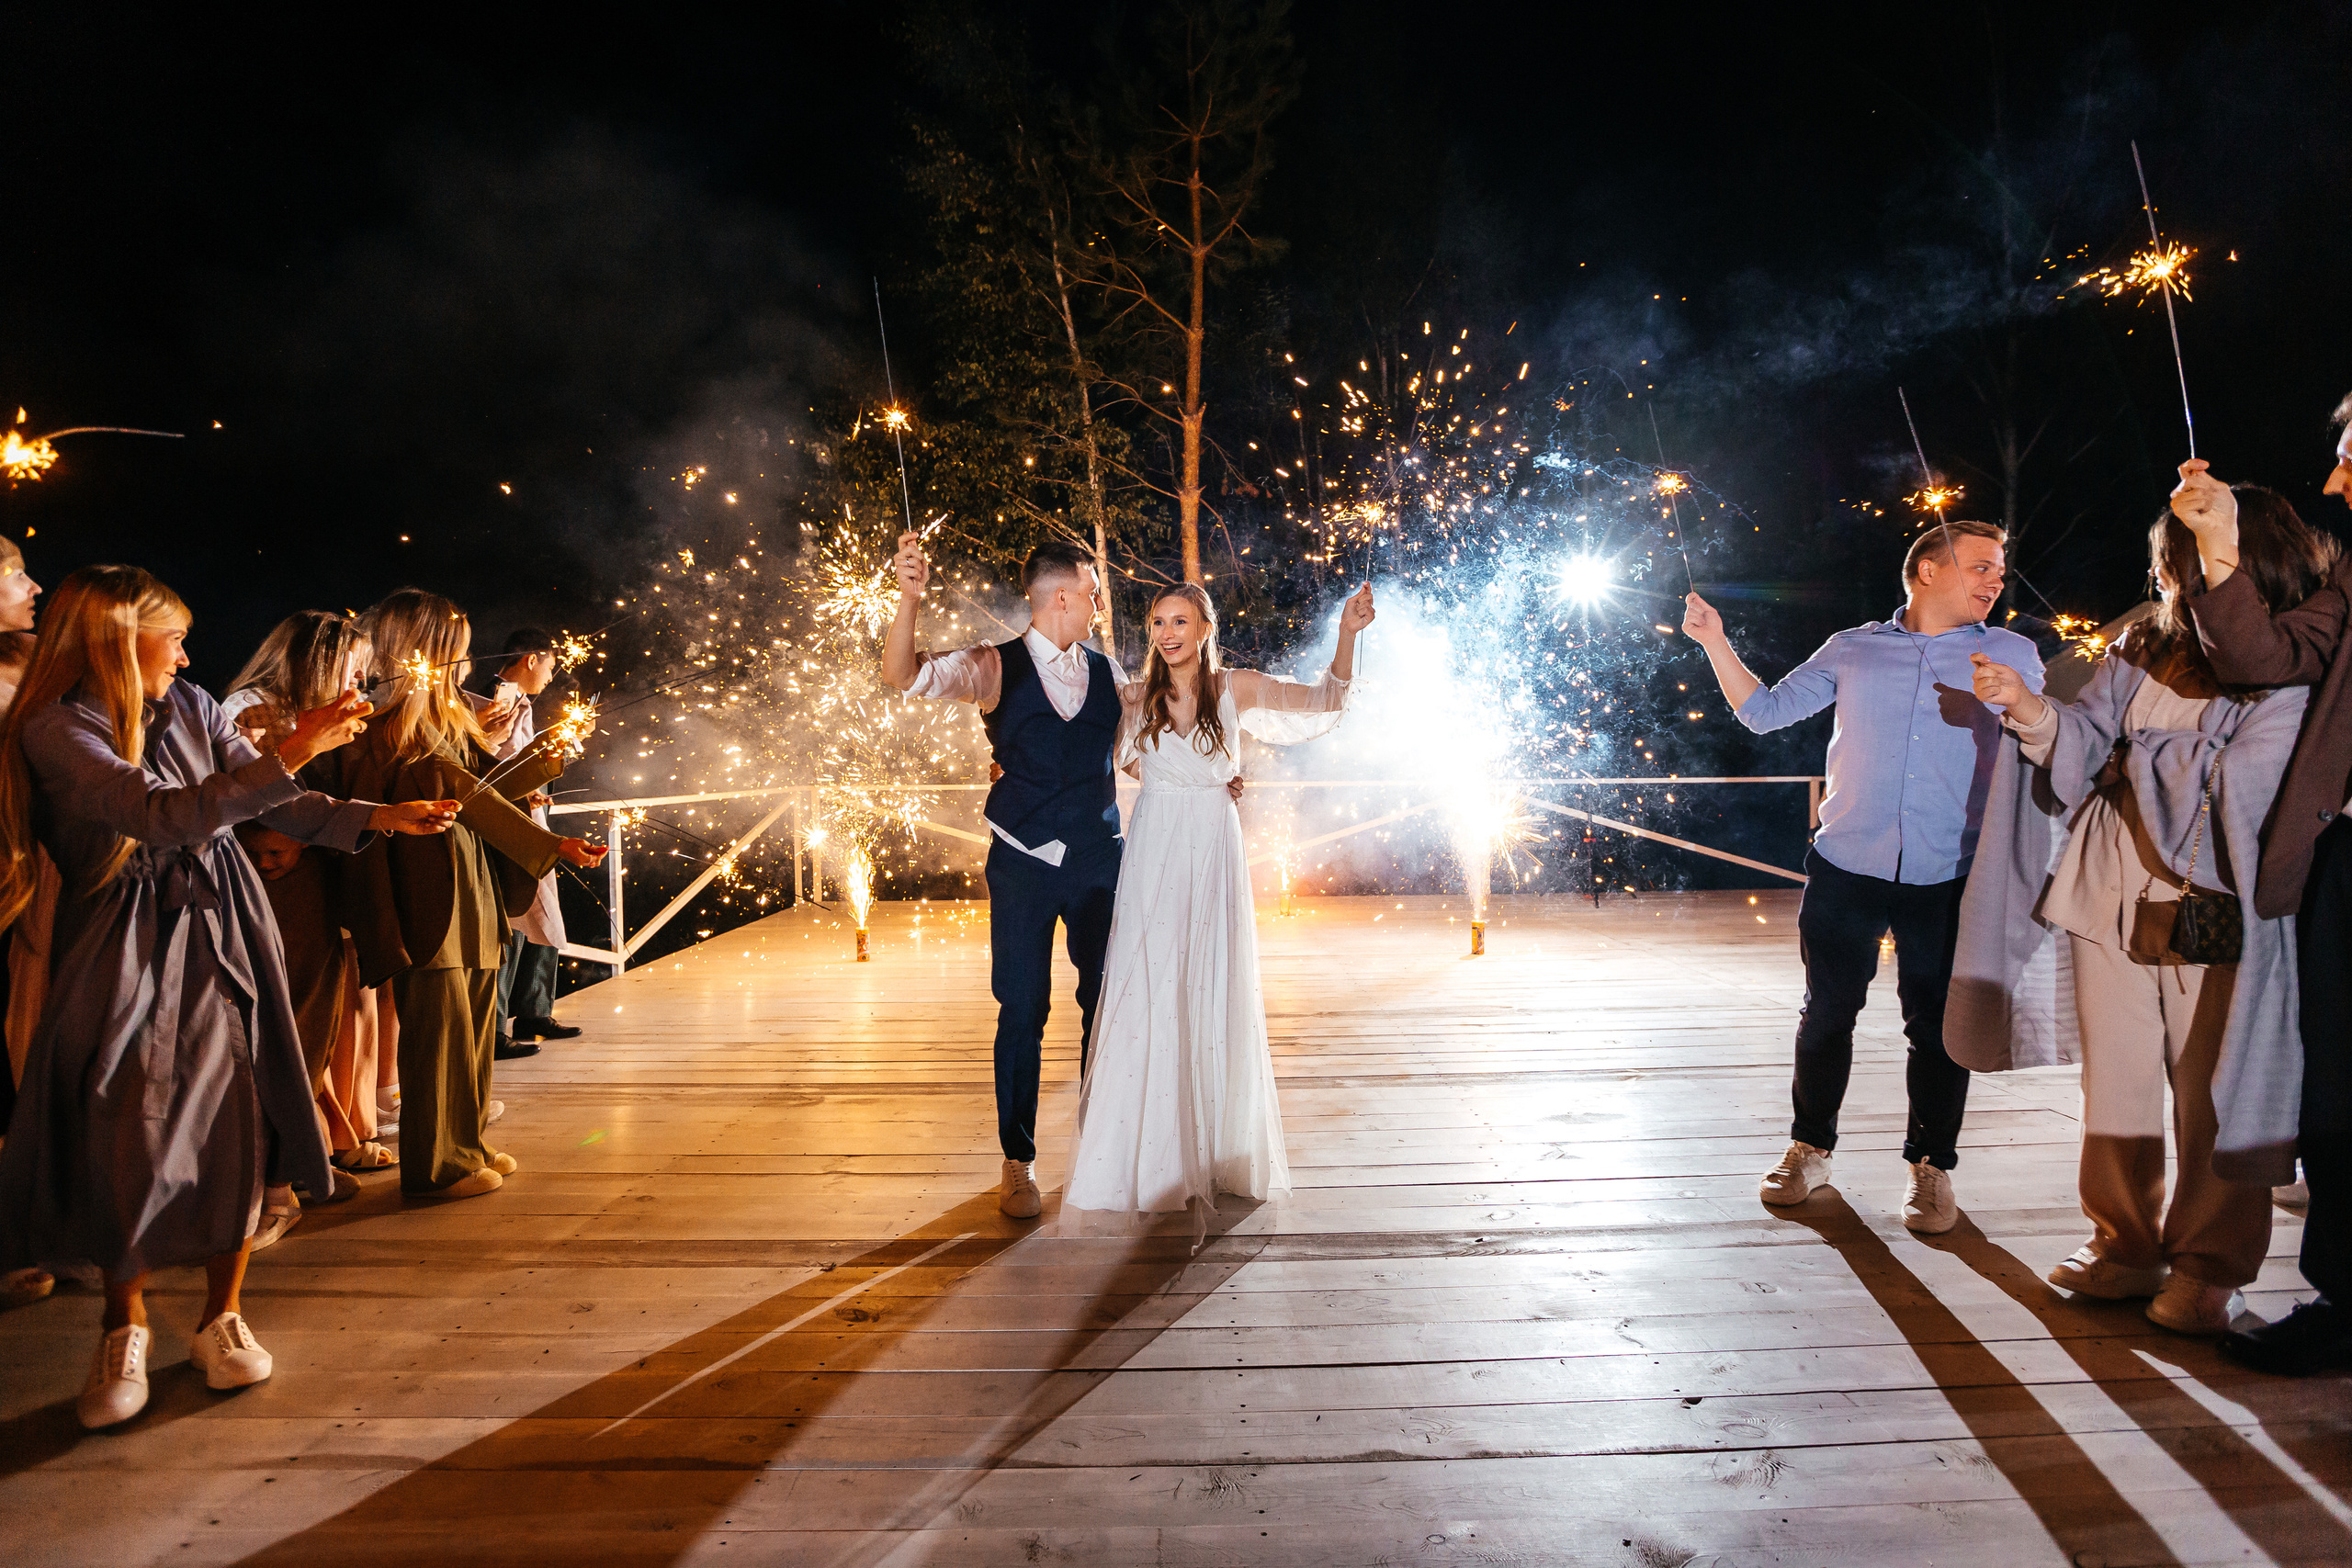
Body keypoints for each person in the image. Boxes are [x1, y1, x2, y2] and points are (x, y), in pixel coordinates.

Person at [0, 566, 457, 1429]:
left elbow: (273, 794)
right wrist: (296, 752)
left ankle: (221, 1315)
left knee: (236, 1109)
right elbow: (161, 814)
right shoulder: (60, 730)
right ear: (112, 638)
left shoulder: (197, 706)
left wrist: (373, 817)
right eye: (169, 634)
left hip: (223, 916)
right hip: (121, 930)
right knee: (119, 1114)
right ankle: (123, 1322)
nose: (184, 650)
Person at [1955, 491, 2330, 1334]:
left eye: (2173, 555)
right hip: (2105, 888)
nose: (2159, 571)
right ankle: (2124, 1243)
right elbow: (2087, 740)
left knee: (2212, 1090)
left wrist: (2135, 756)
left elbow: (2249, 779)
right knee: (2116, 1079)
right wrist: (2030, 707)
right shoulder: (2140, 642)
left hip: (2217, 902)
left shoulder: (2292, 653)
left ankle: (2210, 1264)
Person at [1682, 520, 2045, 1233]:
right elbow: (1762, 712)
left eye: (1999, 569)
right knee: (1826, 1012)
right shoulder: (1853, 648)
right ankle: (1809, 1147)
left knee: (1938, 1027)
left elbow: (2047, 737)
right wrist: (1713, 641)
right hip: (1847, 865)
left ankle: (1932, 1167)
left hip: (1950, 873)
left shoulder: (2012, 651)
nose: (1995, 581)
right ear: (1927, 571)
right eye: (1980, 567)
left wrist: (2022, 705)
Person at [885, 535, 1232, 1219]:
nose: (1104, 603)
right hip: (1021, 863)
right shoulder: (990, 665)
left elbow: (1152, 746)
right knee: (1023, 1007)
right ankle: (1018, 1161)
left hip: (1102, 860)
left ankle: (1100, 1148)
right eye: (1096, 590)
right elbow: (903, 675)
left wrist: (1217, 777)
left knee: (1105, 1003)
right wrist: (909, 598)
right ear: (1066, 594)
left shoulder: (1110, 675)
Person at [1062, 581, 1371, 1234]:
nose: (1166, 632)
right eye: (1156, 622)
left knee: (1209, 985)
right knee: (1150, 988)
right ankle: (1143, 1154)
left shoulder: (1238, 687)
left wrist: (1348, 634)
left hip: (1213, 847)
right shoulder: (1134, 695)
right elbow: (1085, 746)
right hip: (1154, 852)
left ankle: (1213, 1149)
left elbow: (1320, 704)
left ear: (1205, 626)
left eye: (1179, 620)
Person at [2167, 401, 2352, 1373]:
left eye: (2346, 457)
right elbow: (2256, 656)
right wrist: (2221, 545)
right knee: (2335, 1084)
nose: (2332, 482)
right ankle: (2343, 1300)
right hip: (2343, 863)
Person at [327, 590, 604, 1202]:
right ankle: (435, 1166)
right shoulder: (384, 723)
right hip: (427, 887)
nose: (466, 659)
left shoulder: (444, 717)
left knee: (475, 1020)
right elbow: (468, 795)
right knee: (439, 1029)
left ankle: (467, 1143)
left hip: (472, 879)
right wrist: (549, 845)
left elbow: (484, 787)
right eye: (455, 647)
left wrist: (546, 754)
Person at [221, 611, 390, 1225]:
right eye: (353, 665)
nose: (362, 677)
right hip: (279, 883)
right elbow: (243, 792)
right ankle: (269, 1187)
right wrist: (271, 834)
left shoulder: (306, 710)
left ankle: (299, 1161)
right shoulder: (257, 709)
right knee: (286, 1025)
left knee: (313, 1025)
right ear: (318, 661)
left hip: (312, 876)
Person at [478, 628, 579, 1058]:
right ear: (532, 659)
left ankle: (535, 1011)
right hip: (506, 822)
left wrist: (539, 780)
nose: (551, 678)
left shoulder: (522, 702)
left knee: (542, 911)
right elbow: (487, 762)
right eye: (551, 668)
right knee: (516, 915)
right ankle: (495, 1028)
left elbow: (518, 760)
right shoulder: (489, 699)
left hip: (530, 814)